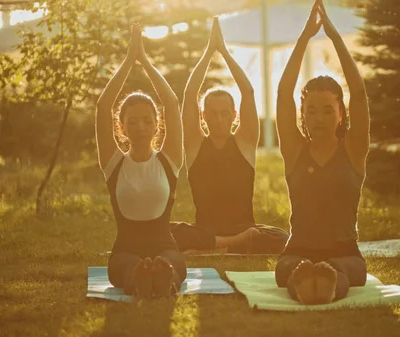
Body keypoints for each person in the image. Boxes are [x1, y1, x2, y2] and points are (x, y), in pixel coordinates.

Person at [274, 0, 371, 305]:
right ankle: (307, 280)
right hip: (298, 251)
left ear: (342, 114)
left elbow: (358, 92)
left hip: (345, 253)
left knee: (347, 269)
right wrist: (304, 38)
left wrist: (335, 38)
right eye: (311, 111)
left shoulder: (354, 150)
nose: (319, 118)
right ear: (302, 115)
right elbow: (283, 92)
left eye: (328, 111)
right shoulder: (295, 150)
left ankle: (326, 281)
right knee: (288, 268)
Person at [170, 18, 289, 255]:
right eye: (213, 114)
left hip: (243, 228)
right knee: (167, 232)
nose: (219, 119)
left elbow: (248, 91)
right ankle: (227, 245)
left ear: (235, 115)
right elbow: (190, 92)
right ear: (203, 117)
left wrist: (223, 51)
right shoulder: (195, 145)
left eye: (225, 114)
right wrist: (208, 52)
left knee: (283, 237)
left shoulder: (244, 144)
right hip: (207, 231)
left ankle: (215, 248)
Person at [96, 24, 185, 298]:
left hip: (167, 250)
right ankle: (144, 277)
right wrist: (127, 61)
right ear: (121, 127)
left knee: (171, 265)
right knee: (129, 267)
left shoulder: (169, 159)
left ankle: (157, 276)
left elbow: (171, 103)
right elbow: (103, 107)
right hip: (125, 252)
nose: (140, 127)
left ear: (157, 125)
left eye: (147, 120)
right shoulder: (114, 164)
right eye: (132, 122)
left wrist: (144, 60)